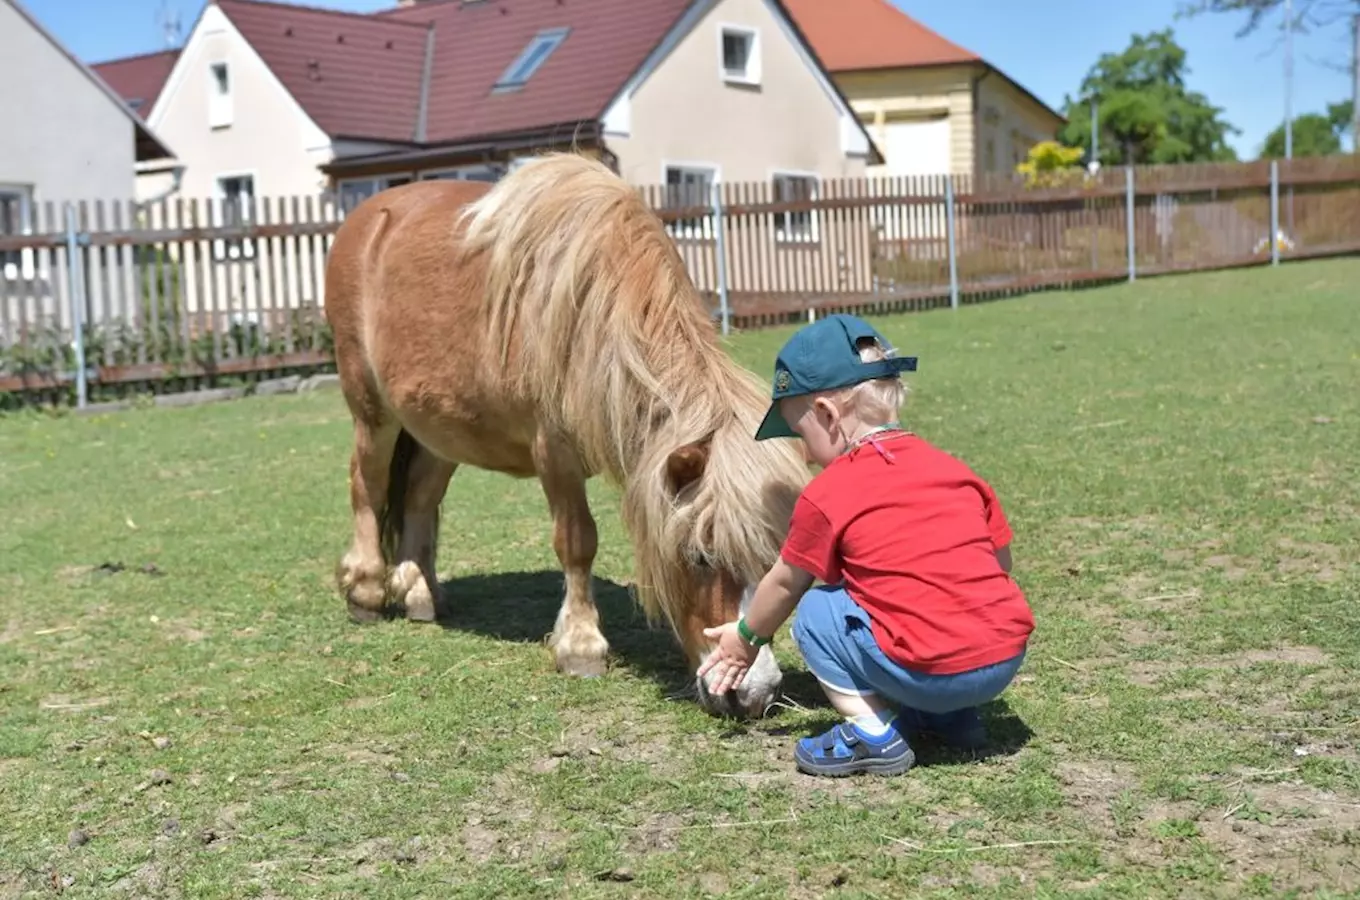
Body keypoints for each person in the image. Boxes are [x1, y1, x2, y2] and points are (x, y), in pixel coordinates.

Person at [699, 313, 1034, 777]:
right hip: (1002, 661)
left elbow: (784, 583)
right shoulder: (956, 471)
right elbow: (1001, 563)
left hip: (931, 671)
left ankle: (874, 733)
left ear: (827, 415)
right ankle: (953, 718)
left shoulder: (829, 491)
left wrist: (745, 639)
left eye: (801, 436)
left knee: (818, 611)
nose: (804, 455)